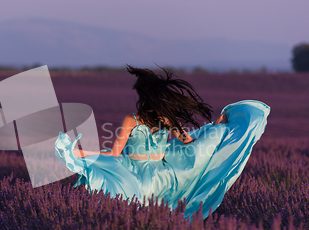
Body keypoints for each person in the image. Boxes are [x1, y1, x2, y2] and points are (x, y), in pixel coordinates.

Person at [54, 65, 270, 221]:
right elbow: (188, 140)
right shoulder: (168, 119)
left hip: (135, 174)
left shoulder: (132, 119)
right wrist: (216, 127)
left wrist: (79, 153)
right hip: (165, 176)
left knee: (129, 214)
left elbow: (114, 154)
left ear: (142, 97)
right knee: (162, 216)